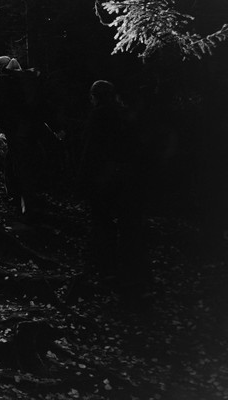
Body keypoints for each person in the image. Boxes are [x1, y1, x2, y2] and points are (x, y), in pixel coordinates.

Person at [79, 80, 149, 294]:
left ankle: (107, 270)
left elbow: (91, 149)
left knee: (102, 222)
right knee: (128, 225)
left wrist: (84, 177)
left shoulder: (97, 116)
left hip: (103, 177)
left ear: (94, 97)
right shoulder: (124, 114)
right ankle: (132, 273)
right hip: (126, 176)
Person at [0, 56, 47, 214]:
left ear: (0, 69)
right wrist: (56, 126)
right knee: (19, 162)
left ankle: (26, 206)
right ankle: (21, 199)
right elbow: (44, 104)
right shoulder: (30, 80)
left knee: (21, 166)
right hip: (35, 130)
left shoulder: (1, 84)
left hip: (15, 130)